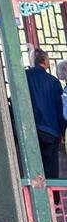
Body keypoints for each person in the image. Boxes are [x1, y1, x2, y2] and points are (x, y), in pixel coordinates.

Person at [25, 48, 66, 178]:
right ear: (44, 61)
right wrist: (61, 130)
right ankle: (52, 198)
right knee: (50, 170)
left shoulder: (24, 76)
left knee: (32, 169)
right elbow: (61, 110)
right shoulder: (53, 82)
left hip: (29, 130)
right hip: (51, 131)